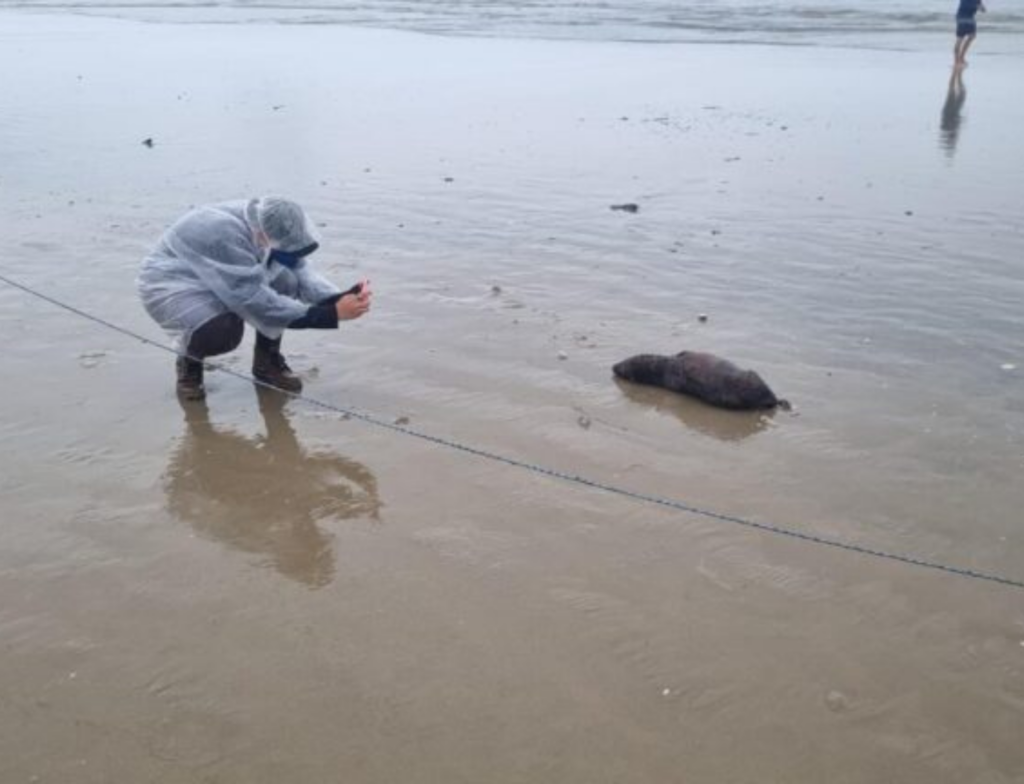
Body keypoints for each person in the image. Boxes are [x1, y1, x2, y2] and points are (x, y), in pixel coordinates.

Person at [138, 197, 371, 400]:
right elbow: (254, 301)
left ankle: (266, 364)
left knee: (286, 280)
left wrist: (335, 297)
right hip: (175, 283)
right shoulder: (221, 231)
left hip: (228, 275)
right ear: (262, 233)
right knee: (222, 332)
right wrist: (329, 315)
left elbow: (299, 270)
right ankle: (189, 363)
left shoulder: (266, 221)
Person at [954, 0, 987, 66]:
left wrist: (981, 7)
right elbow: (967, 5)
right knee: (960, 39)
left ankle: (961, 57)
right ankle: (957, 60)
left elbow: (983, 10)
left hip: (970, 17)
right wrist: (978, 7)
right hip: (962, 16)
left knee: (972, 36)